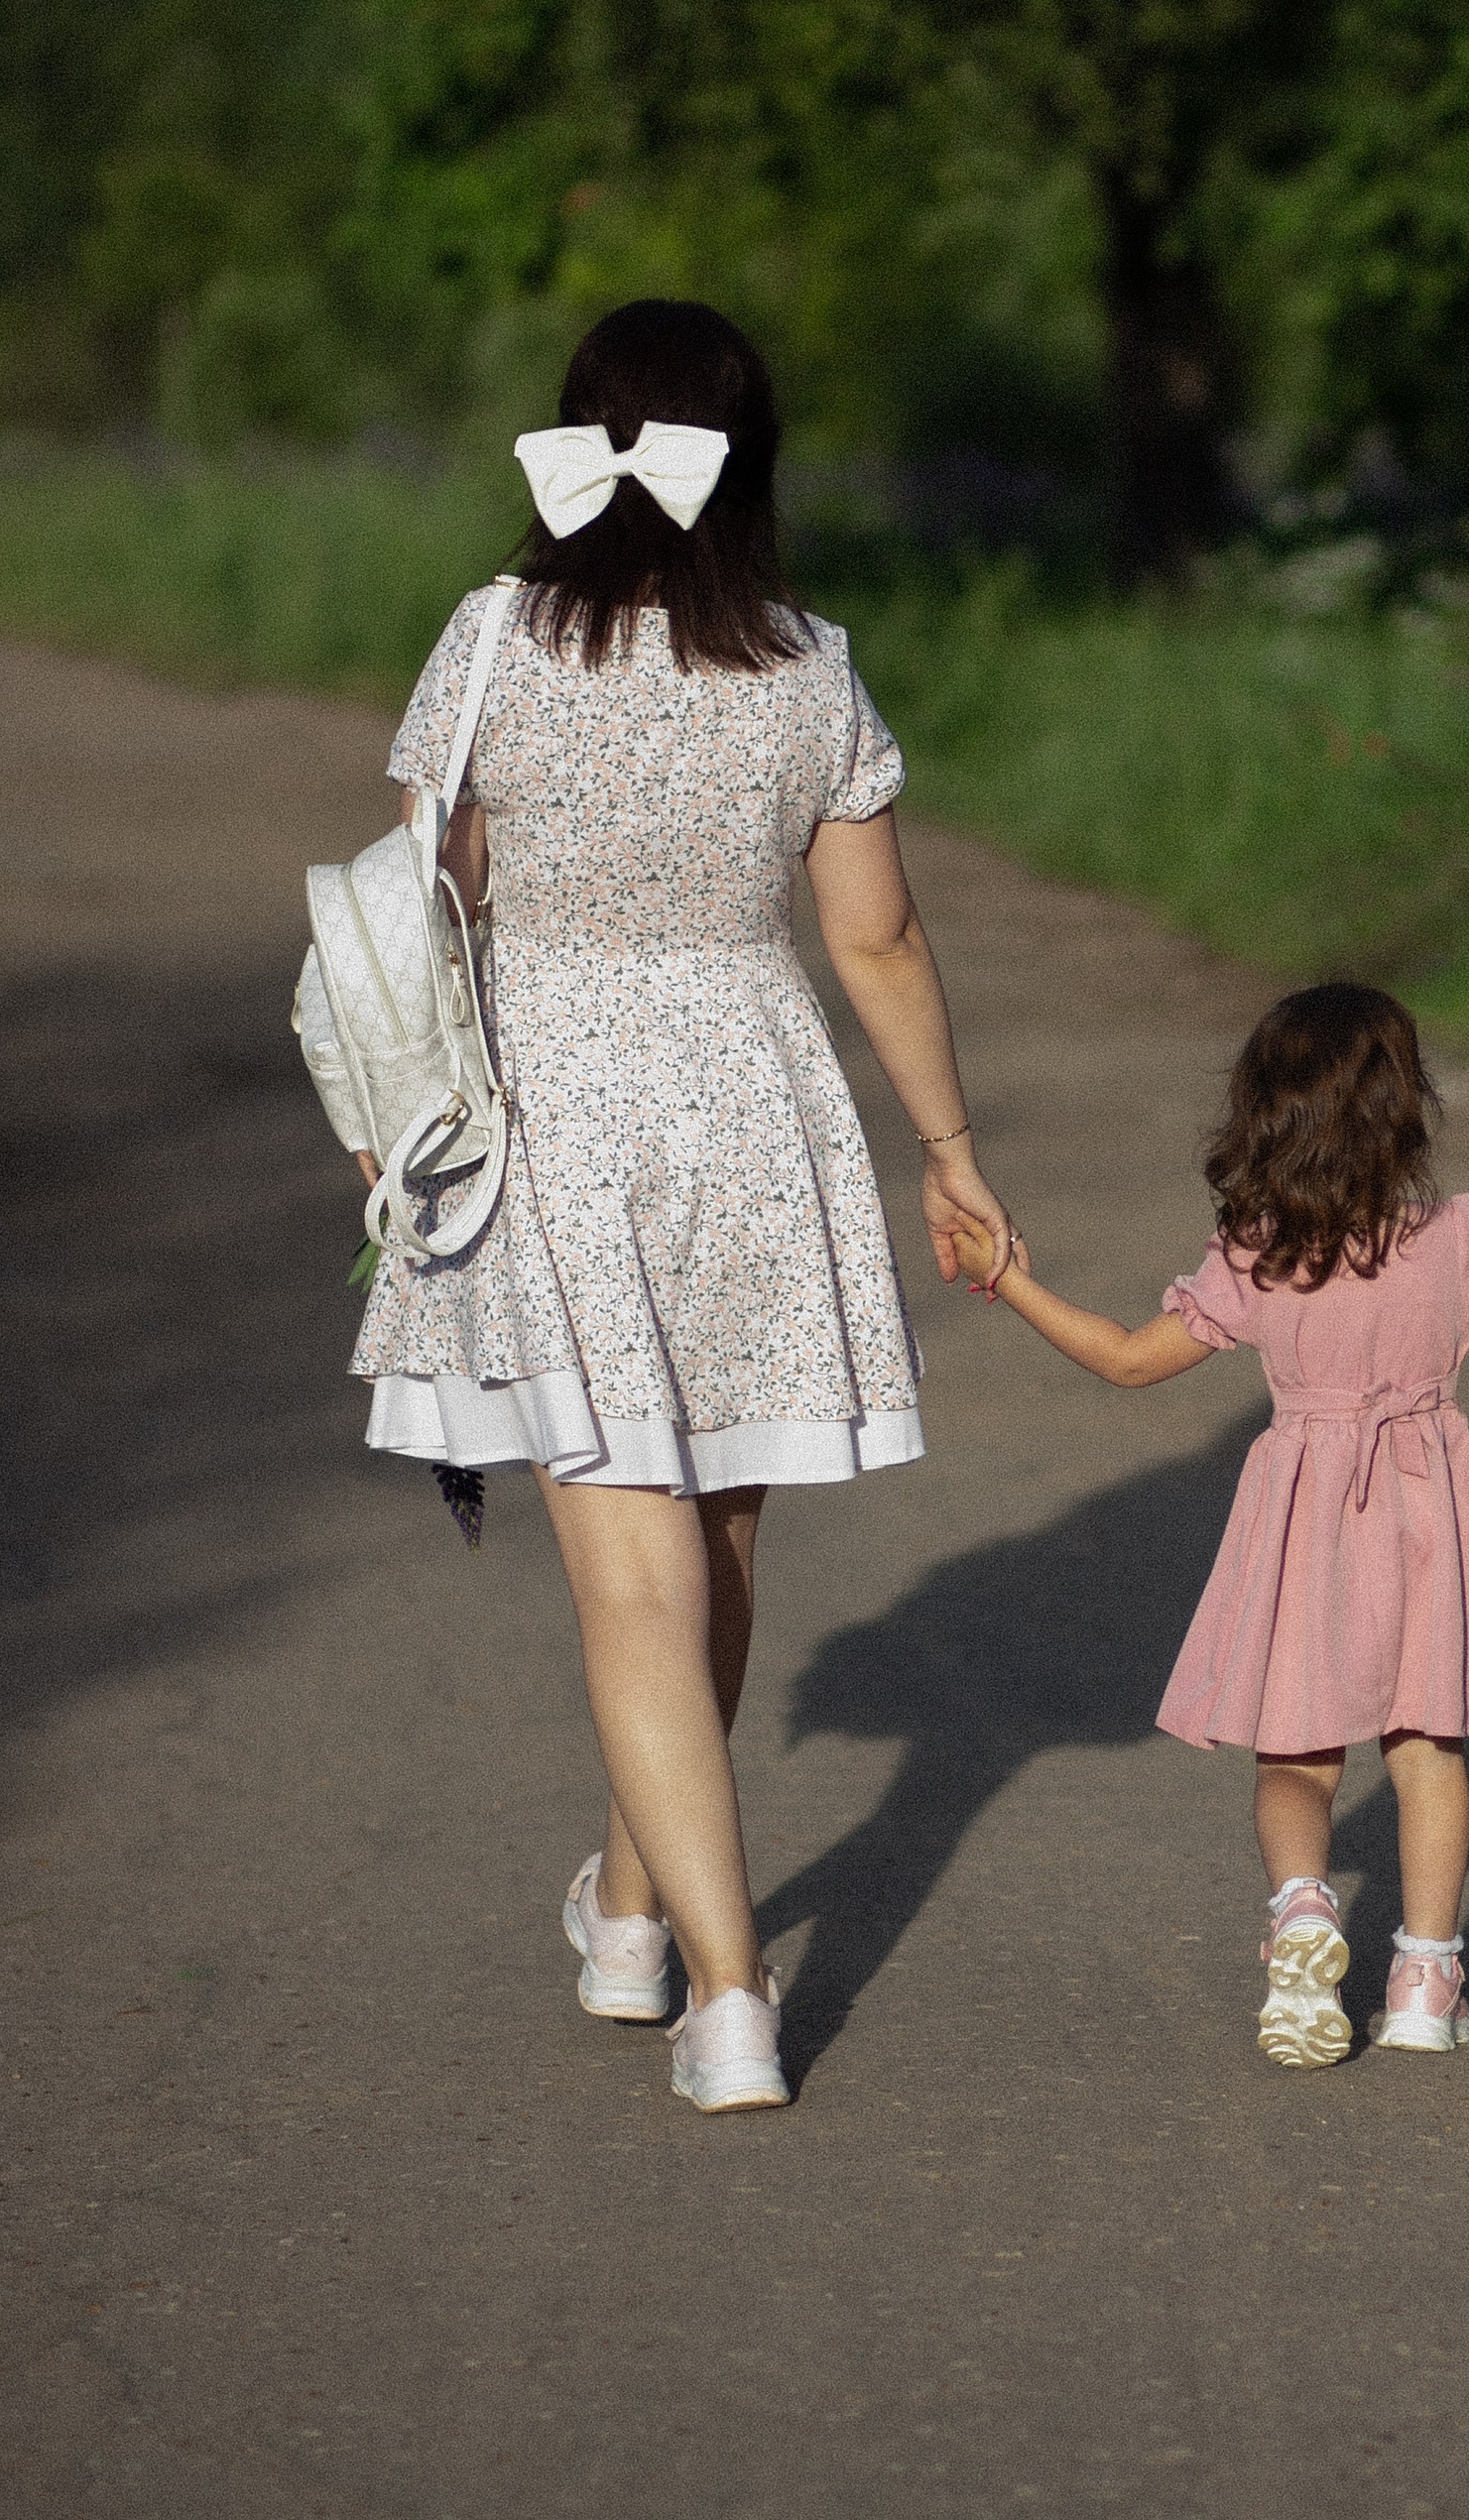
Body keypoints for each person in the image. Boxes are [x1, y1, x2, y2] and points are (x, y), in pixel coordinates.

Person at [349, 300, 1012, 2115]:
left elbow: (431, 897)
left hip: (555, 1100)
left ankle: (728, 1989)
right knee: (712, 1552)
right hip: (752, 1103)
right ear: (753, 464)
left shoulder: (492, 639)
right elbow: (872, 931)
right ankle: (633, 1914)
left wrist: (392, 1111)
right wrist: (948, 1144)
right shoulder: (809, 662)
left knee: (637, 1568)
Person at [949, 982, 1469, 2065]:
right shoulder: (1462, 1238)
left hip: (1301, 1523)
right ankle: (1423, 1975)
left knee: (1296, 1760)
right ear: (1408, 1107)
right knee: (1425, 1750)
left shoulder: (1258, 1250)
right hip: (1424, 1517)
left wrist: (1010, 1282)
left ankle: (1305, 1911)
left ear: (1264, 1113)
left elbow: (1127, 1361)